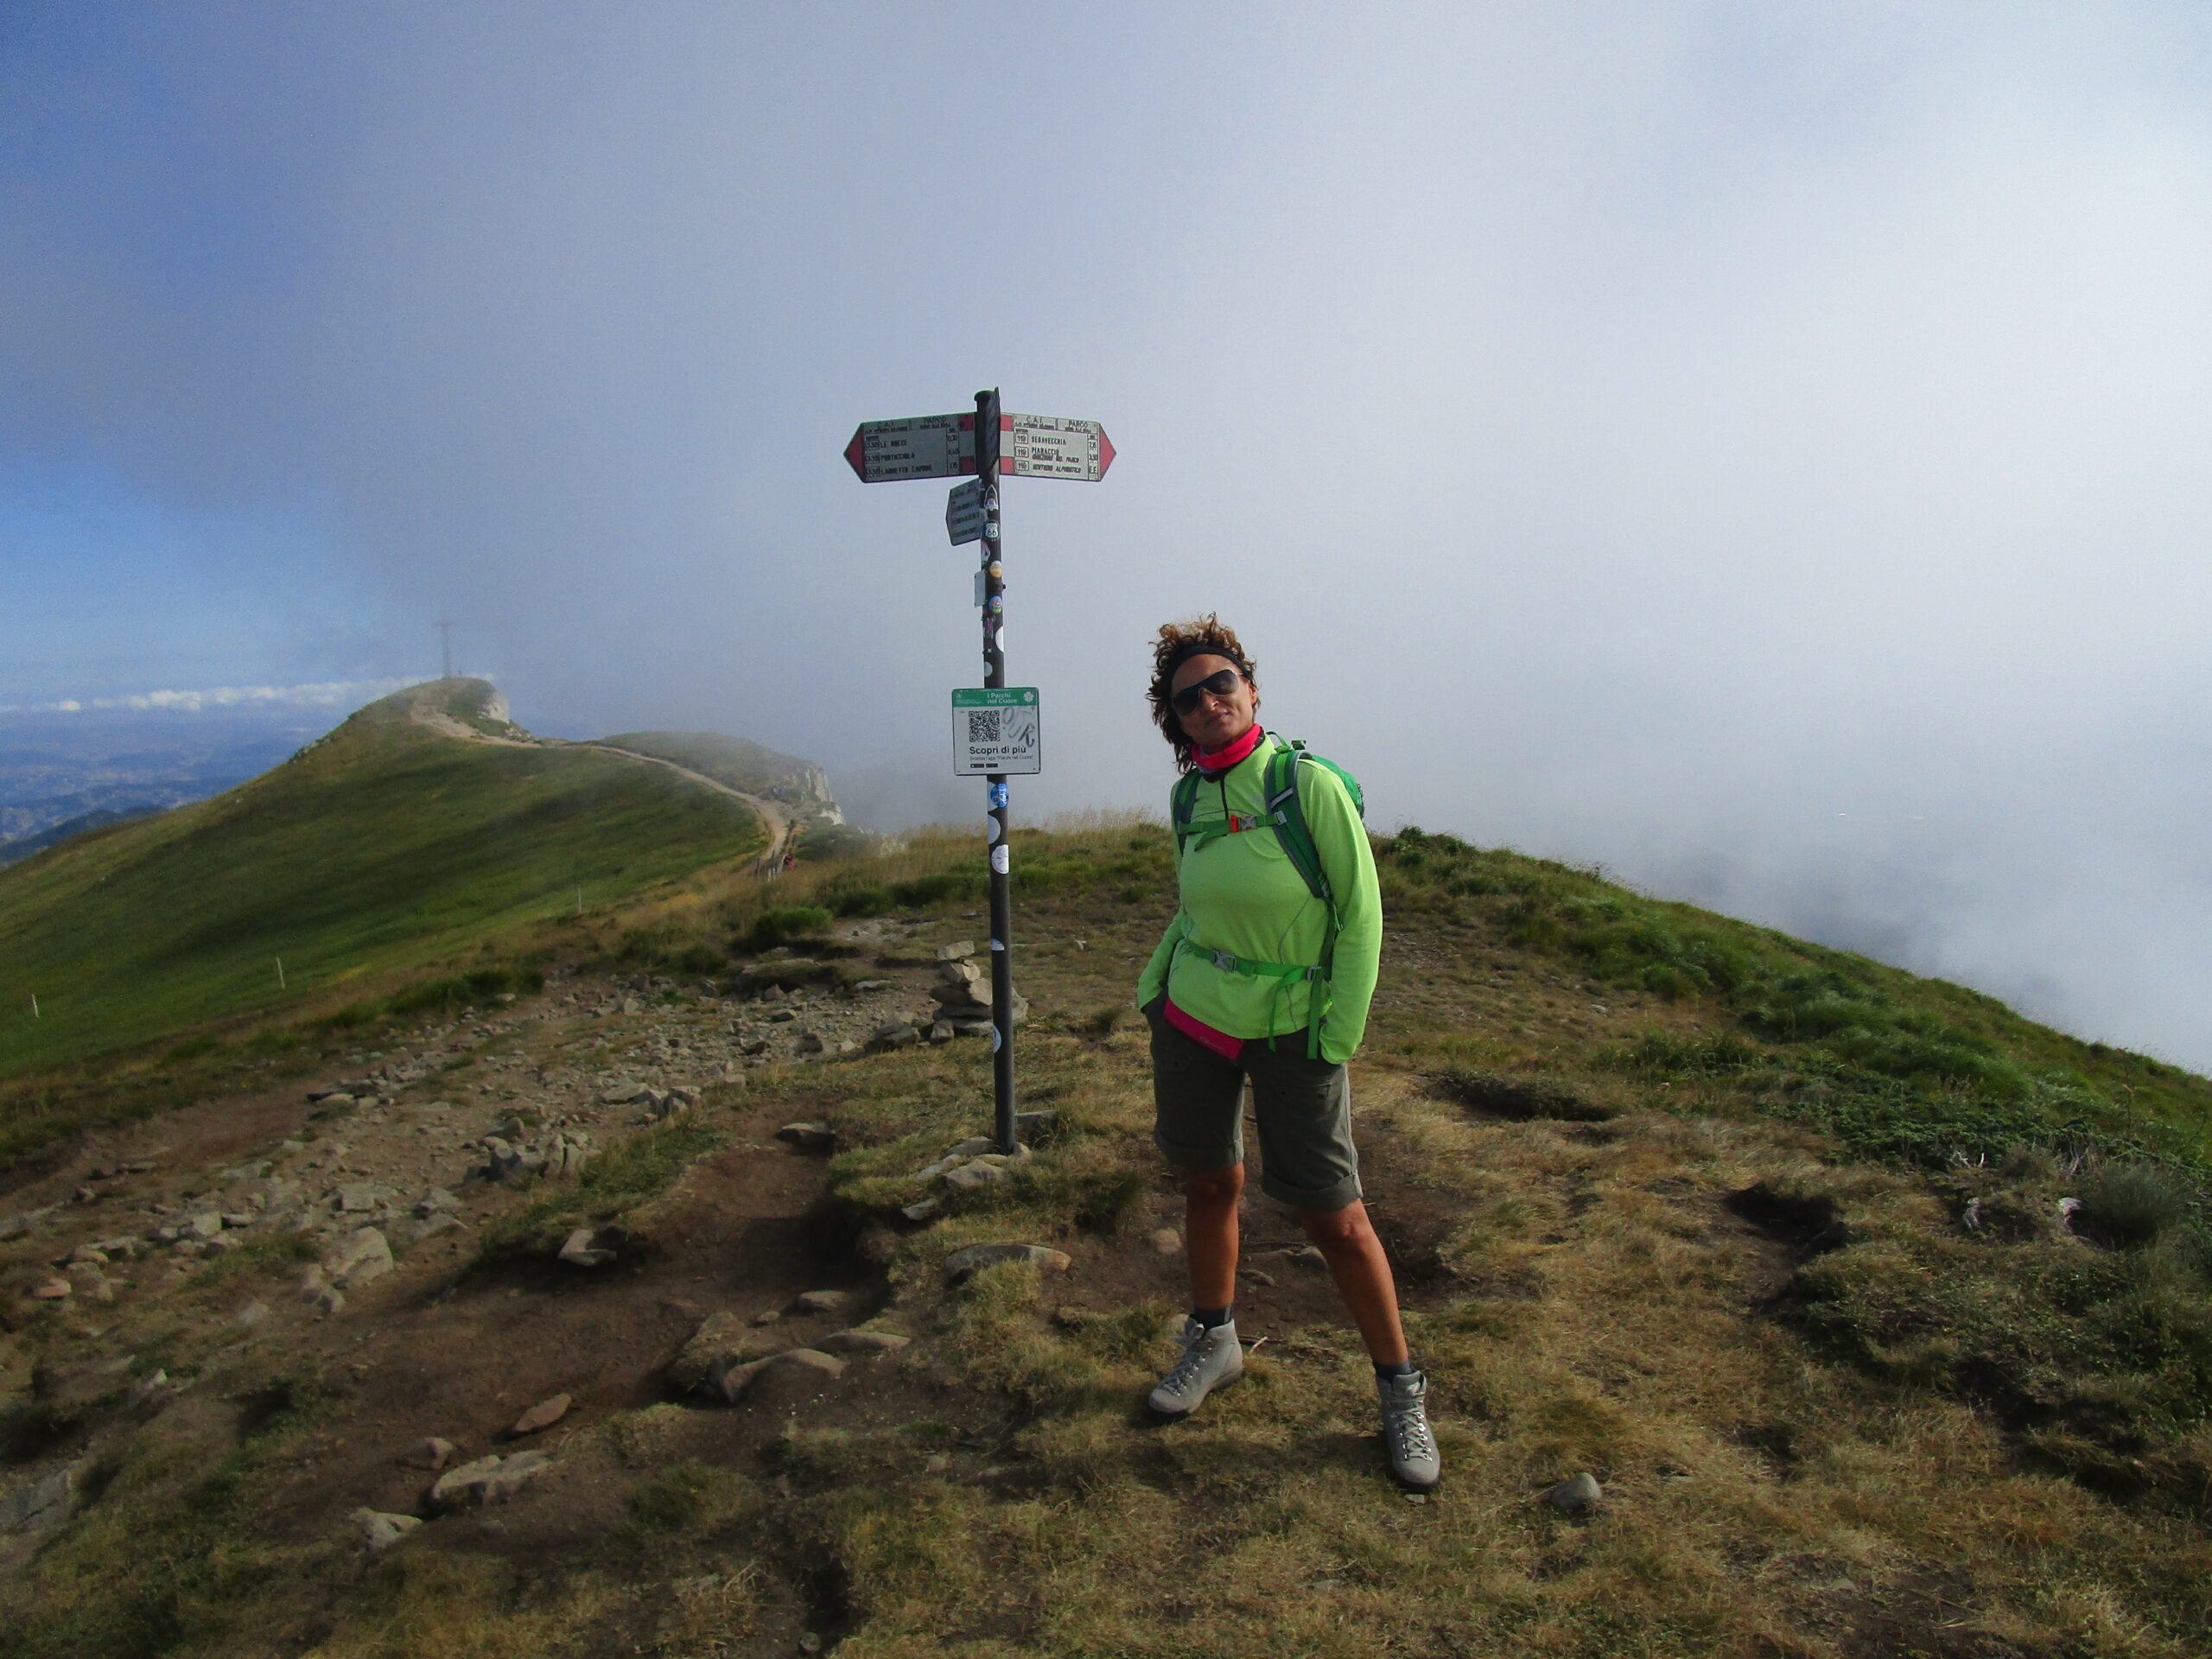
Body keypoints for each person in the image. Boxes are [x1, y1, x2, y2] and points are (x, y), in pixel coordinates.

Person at [1134, 615, 1440, 1490]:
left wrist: (1333, 1036)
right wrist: (1153, 989)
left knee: (1335, 1220)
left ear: (1252, 689)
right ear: (1176, 722)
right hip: (1194, 1016)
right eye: (1187, 698)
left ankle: (1399, 1393)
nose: (1207, 703)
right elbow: (1193, 906)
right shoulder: (1189, 797)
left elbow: (1360, 917)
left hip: (1295, 1028)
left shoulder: (1304, 787)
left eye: (1220, 683)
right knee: (1207, 1182)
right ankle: (1214, 1340)